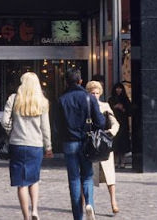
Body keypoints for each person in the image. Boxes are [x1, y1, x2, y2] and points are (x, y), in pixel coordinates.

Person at [1, 72, 53, 220]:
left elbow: (5, 121)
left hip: (17, 144)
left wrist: (12, 131)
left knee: (21, 182)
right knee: (34, 178)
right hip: (35, 144)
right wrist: (48, 146)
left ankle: (26, 216)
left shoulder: (14, 98)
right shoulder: (42, 101)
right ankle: (35, 209)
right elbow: (45, 127)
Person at [57, 68, 106, 220]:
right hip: (86, 141)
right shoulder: (88, 98)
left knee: (73, 178)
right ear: (80, 81)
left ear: (66, 81)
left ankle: (78, 216)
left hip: (69, 142)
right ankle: (89, 203)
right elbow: (100, 122)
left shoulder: (61, 100)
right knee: (87, 176)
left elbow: (57, 126)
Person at [86, 80, 121, 214]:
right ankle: (87, 203)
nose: (95, 95)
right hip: (90, 145)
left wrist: (110, 133)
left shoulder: (105, 106)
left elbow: (115, 124)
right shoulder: (85, 107)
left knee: (110, 176)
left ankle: (113, 201)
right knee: (88, 175)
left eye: (97, 93)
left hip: (104, 145)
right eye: (92, 93)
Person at [107, 82, 131, 168]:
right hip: (114, 123)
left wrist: (123, 108)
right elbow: (108, 111)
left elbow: (130, 111)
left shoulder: (125, 99)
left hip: (123, 123)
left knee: (123, 143)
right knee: (115, 142)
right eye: (117, 88)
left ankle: (123, 162)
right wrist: (115, 107)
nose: (118, 90)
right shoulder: (111, 99)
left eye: (120, 88)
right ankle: (116, 162)